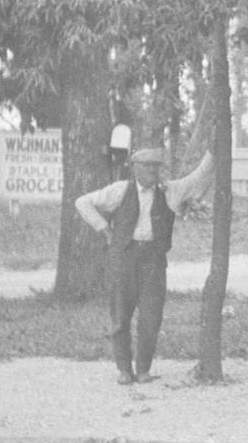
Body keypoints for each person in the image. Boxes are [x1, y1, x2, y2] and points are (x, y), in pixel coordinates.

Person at [75, 140, 212, 383]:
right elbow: (82, 202)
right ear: (135, 168)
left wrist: (213, 151)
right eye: (148, 167)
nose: (153, 172)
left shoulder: (170, 191)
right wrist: (105, 230)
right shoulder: (119, 190)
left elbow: (198, 178)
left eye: (156, 167)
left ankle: (144, 369)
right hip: (123, 258)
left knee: (151, 316)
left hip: (154, 261)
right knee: (120, 316)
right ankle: (124, 371)